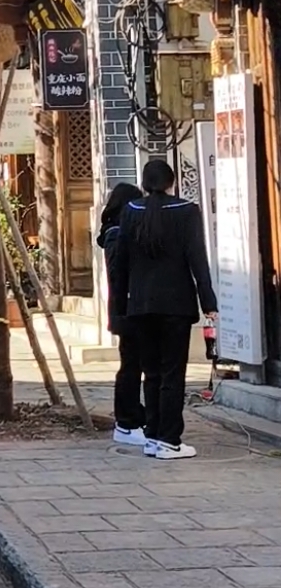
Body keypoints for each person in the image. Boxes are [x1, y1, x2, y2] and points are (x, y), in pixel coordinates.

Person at [110, 159, 218, 461]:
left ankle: (153, 436)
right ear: (172, 183)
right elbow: (198, 261)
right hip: (176, 306)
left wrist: (121, 305)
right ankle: (170, 439)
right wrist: (209, 303)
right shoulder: (186, 211)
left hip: (140, 305)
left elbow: (121, 263)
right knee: (173, 373)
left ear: (145, 184)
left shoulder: (132, 212)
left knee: (152, 373)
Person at [96, 182, 145, 446]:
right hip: (126, 309)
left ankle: (134, 414)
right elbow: (118, 274)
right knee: (130, 366)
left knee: (135, 364)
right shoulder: (116, 233)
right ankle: (126, 420)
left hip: (130, 308)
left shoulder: (120, 231)